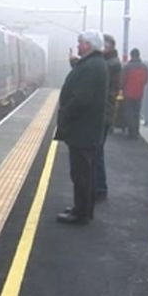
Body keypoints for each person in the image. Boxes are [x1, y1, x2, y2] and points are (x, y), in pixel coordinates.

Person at [54, 30, 108, 225]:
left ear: (88, 45)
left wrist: (66, 112)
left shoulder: (92, 66)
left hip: (83, 130)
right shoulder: (94, 63)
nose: (78, 46)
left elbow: (83, 98)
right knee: (84, 172)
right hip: (87, 129)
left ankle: (81, 213)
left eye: (80, 43)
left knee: (81, 174)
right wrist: (74, 63)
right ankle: (82, 208)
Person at [94, 34, 121, 201]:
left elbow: (97, 81)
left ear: (110, 46)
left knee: (97, 152)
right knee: (97, 151)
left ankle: (99, 188)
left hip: (103, 113)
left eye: (103, 45)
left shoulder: (110, 64)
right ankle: (99, 187)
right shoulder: (110, 62)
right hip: (106, 112)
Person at [121, 48, 148, 139]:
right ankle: (136, 131)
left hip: (128, 92)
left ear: (131, 55)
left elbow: (123, 80)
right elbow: (145, 80)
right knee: (136, 112)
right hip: (139, 93)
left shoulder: (128, 67)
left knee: (129, 112)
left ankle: (131, 131)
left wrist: (121, 88)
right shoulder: (144, 67)